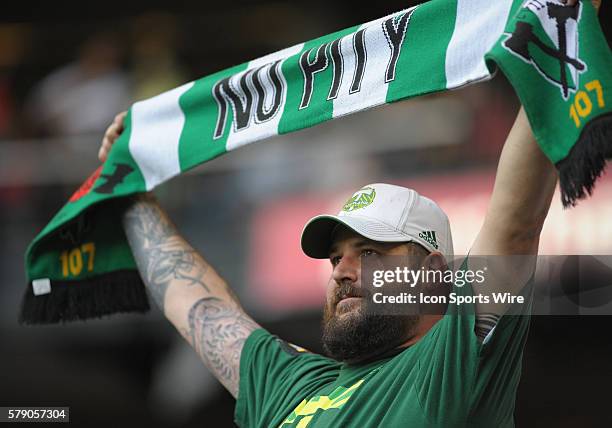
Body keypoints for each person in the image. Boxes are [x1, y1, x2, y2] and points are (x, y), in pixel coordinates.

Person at [98, 1, 599, 426]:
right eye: (336, 256)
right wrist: (131, 196)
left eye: (369, 251)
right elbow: (202, 307)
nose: (340, 270)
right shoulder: (289, 387)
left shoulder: (453, 362)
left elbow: (514, 223)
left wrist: (559, 27)